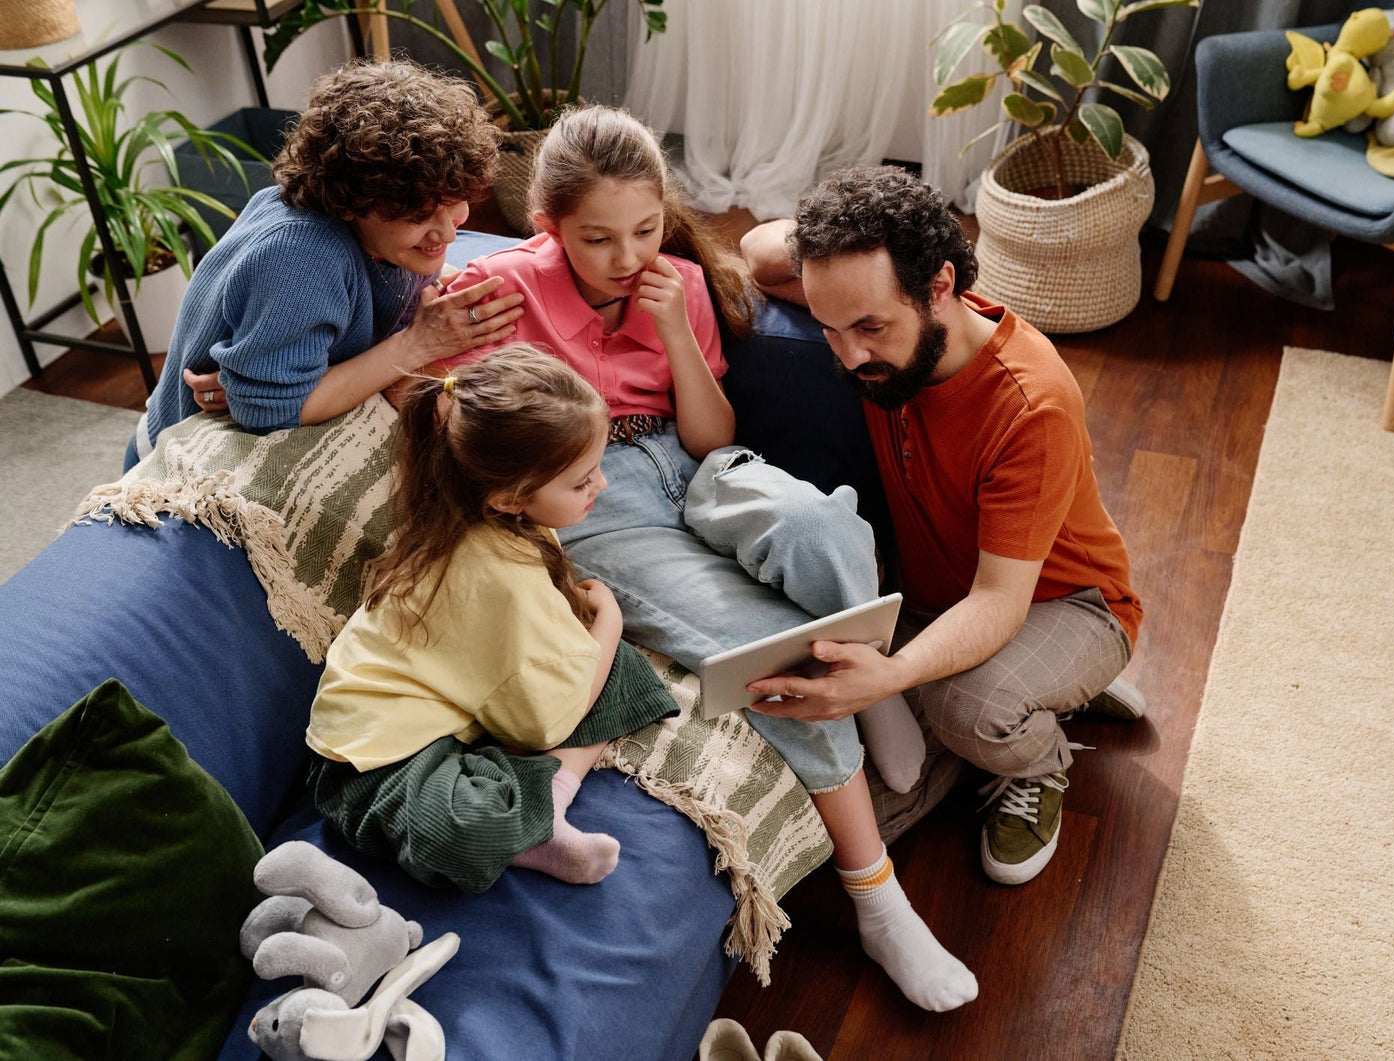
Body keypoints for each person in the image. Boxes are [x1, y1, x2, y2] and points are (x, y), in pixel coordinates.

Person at [439, 106, 974, 1013]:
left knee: (822, 529)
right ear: (549, 226)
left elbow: (712, 433)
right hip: (595, 501)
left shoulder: (679, 279)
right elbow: (421, 356)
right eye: (597, 238)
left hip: (689, 461)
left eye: (644, 229)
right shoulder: (501, 289)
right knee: (773, 647)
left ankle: (875, 687)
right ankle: (879, 899)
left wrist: (677, 329)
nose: (625, 255)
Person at [738, 166, 1143, 888]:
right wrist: (840, 242)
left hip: (1062, 602)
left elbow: (997, 601)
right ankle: (1029, 687)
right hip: (931, 605)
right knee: (857, 822)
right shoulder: (874, 313)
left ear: (940, 286)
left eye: (869, 328)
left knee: (970, 709)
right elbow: (757, 249)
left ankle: (1042, 745)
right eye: (831, 329)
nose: (850, 356)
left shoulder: (1030, 404)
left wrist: (892, 676)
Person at [304, 348, 679, 890]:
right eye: (581, 481)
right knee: (462, 832)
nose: (601, 486)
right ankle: (526, 816)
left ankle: (547, 806)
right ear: (509, 498)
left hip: (458, 716)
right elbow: (544, 723)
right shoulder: (494, 571)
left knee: (620, 671)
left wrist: (597, 638)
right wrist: (611, 621)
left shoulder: (482, 514)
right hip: (372, 761)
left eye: (597, 468)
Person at [123, 59, 525, 468]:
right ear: (352, 202)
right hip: (179, 459)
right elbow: (270, 413)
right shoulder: (300, 255)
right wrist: (417, 343)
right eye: (418, 216)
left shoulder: (375, 235)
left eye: (456, 203)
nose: (449, 233)